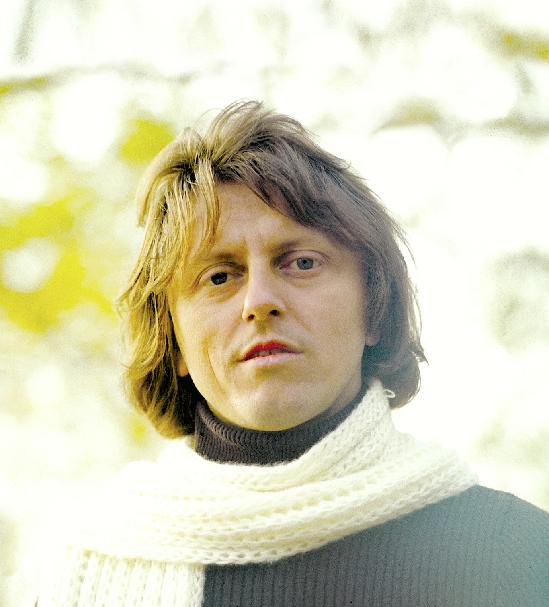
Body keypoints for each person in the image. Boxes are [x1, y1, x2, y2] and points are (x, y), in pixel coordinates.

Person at [38, 101, 548, 606]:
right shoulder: (78, 582)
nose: (259, 301)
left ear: (373, 309)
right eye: (219, 276)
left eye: (302, 262)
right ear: (174, 343)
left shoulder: (516, 556)